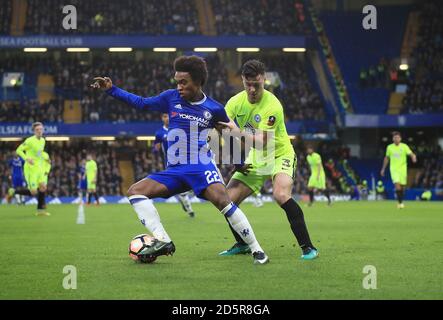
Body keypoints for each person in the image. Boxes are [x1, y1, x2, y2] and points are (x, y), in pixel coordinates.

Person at [91, 55, 269, 264]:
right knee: (135, 192)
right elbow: (141, 103)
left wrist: (238, 164)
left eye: (183, 82)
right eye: (177, 81)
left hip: (200, 166)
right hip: (174, 170)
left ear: (197, 81)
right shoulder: (170, 98)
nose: (179, 86)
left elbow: (226, 136)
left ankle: (257, 250)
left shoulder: (214, 108)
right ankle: (164, 240)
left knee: (224, 202)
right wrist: (112, 89)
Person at [217, 59, 318, 260]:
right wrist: (237, 161)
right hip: (257, 158)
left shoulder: (272, 106)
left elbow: (262, 142)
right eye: (248, 84)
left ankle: (308, 247)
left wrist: (236, 131)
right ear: (243, 81)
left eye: (257, 84)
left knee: (281, 195)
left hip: (280, 154)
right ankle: (243, 243)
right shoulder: (235, 102)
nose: (252, 89)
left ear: (264, 80)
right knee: (226, 199)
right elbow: (222, 129)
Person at [154, 113, 195, 218]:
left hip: (184, 161)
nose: (166, 118)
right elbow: (156, 148)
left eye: (168, 116)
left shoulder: (179, 129)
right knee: (180, 187)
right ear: (162, 118)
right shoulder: (159, 133)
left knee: (187, 185)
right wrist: (155, 149)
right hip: (169, 164)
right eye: (164, 116)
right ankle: (188, 207)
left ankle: (186, 201)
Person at [14, 122, 50, 216]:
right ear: (34, 131)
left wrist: (46, 160)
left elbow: (39, 154)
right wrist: (26, 158)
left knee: (43, 188)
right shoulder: (29, 140)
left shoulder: (43, 140)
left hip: (39, 168)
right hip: (30, 169)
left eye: (41, 129)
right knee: (33, 192)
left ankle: (40, 211)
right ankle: (14, 192)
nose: (39, 131)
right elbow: (18, 150)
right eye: (37, 129)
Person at [381, 131, 417, 209]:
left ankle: (401, 200)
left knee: (402, 187)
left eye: (397, 137)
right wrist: (383, 169)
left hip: (403, 169)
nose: (396, 139)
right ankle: (400, 203)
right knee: (397, 185)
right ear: (392, 139)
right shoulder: (389, 147)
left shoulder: (404, 146)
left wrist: (413, 157)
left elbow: (411, 153)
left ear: (400, 139)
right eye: (395, 138)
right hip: (394, 169)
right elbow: (387, 158)